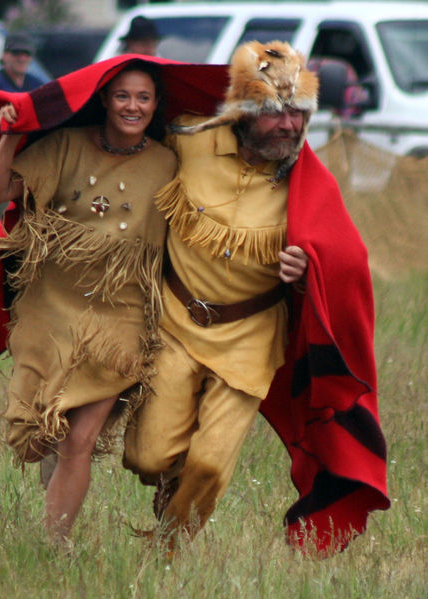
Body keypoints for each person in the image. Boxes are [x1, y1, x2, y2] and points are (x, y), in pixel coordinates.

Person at [123, 40, 390, 555]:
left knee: (208, 465)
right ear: (243, 113)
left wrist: (305, 271)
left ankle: (163, 556)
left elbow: (343, 259)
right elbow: (122, 137)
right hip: (176, 324)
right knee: (150, 457)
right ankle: (171, 492)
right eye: (274, 114)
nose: (289, 126)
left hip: (250, 338)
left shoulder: (307, 181)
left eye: (297, 114)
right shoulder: (189, 142)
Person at [0, 55, 229, 545]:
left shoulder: (169, 162)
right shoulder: (64, 146)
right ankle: (53, 466)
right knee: (41, 434)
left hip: (122, 309)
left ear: (155, 106)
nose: (133, 106)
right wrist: (13, 135)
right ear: (105, 98)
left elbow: (205, 220)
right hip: (52, 303)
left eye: (143, 98)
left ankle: (54, 546)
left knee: (79, 441)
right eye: (123, 95)